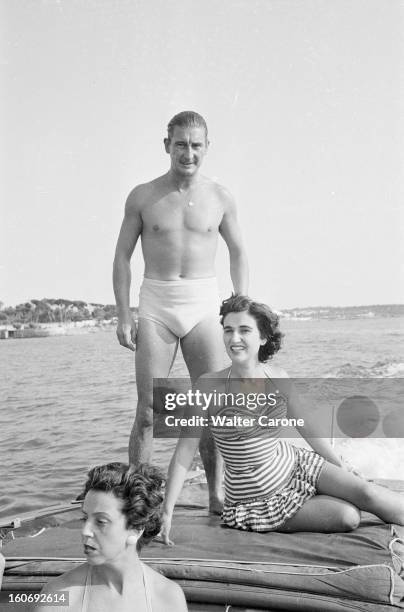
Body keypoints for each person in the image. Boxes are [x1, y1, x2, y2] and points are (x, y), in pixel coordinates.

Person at [160, 295, 404, 543]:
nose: (234, 339)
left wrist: (341, 468)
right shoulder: (208, 387)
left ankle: (317, 492)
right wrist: (167, 511)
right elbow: (184, 452)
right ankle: (311, 500)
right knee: (347, 516)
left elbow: (307, 427)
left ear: (263, 337)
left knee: (368, 493)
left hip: (297, 465)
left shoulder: (278, 377)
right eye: (228, 330)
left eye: (244, 330)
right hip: (256, 499)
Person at [113, 111, 248, 513]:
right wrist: (124, 313)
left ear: (207, 147)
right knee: (149, 411)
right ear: (166, 144)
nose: (188, 152)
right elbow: (122, 258)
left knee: (211, 407)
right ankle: (137, 503)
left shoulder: (221, 197)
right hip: (157, 303)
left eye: (196, 145)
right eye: (180, 144)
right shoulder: (143, 196)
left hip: (204, 303)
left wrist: (241, 305)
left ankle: (215, 496)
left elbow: (239, 251)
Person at [34, 463, 187, 612]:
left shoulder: (169, 597)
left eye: (101, 521)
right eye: (85, 518)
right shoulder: (58, 596)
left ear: (136, 528)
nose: (85, 530)